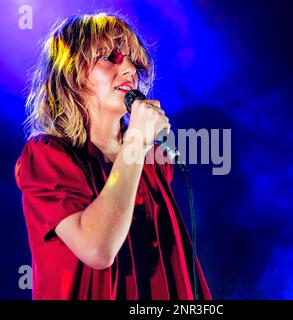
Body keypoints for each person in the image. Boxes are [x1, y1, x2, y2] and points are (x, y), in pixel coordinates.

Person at [14, 12, 212, 300]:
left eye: (132, 58)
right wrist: (134, 145)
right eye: (108, 57)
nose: (129, 68)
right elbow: (97, 249)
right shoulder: (46, 157)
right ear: (71, 75)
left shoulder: (152, 161)